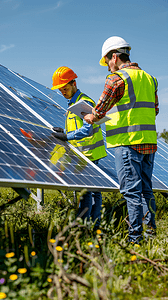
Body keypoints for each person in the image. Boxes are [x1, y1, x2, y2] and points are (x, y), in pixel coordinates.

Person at [83, 36, 159, 243]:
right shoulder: (150, 79)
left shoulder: (116, 78)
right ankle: (151, 235)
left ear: (114, 57)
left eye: (107, 62)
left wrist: (89, 116)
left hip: (127, 143)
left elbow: (99, 111)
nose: (108, 67)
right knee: (145, 190)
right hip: (149, 142)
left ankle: (135, 239)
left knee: (131, 193)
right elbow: (155, 110)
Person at [51, 66, 107, 226]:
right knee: (91, 192)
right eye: (61, 90)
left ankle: (87, 226)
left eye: (65, 88)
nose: (63, 92)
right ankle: (93, 225)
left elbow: (88, 130)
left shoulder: (84, 103)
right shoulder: (73, 104)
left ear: (74, 83)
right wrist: (65, 131)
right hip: (82, 155)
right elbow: (77, 127)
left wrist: (67, 136)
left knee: (87, 192)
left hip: (89, 155)